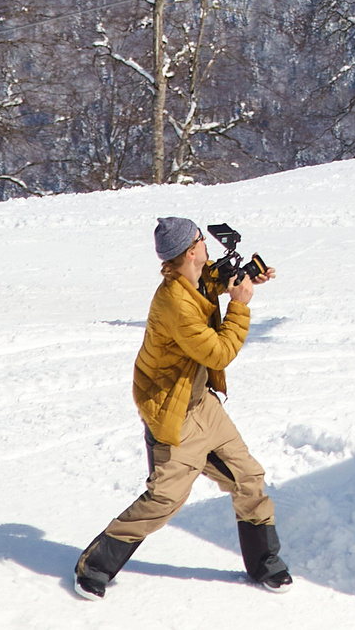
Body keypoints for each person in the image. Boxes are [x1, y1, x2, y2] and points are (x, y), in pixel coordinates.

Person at [74, 217, 292, 597]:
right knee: (165, 499)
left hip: (202, 402)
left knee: (248, 478)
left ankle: (265, 564)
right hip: (172, 411)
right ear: (191, 251)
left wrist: (241, 279)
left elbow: (209, 280)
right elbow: (219, 352)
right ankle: (94, 565)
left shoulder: (190, 278)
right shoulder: (173, 302)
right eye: (200, 241)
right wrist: (240, 306)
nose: (207, 246)